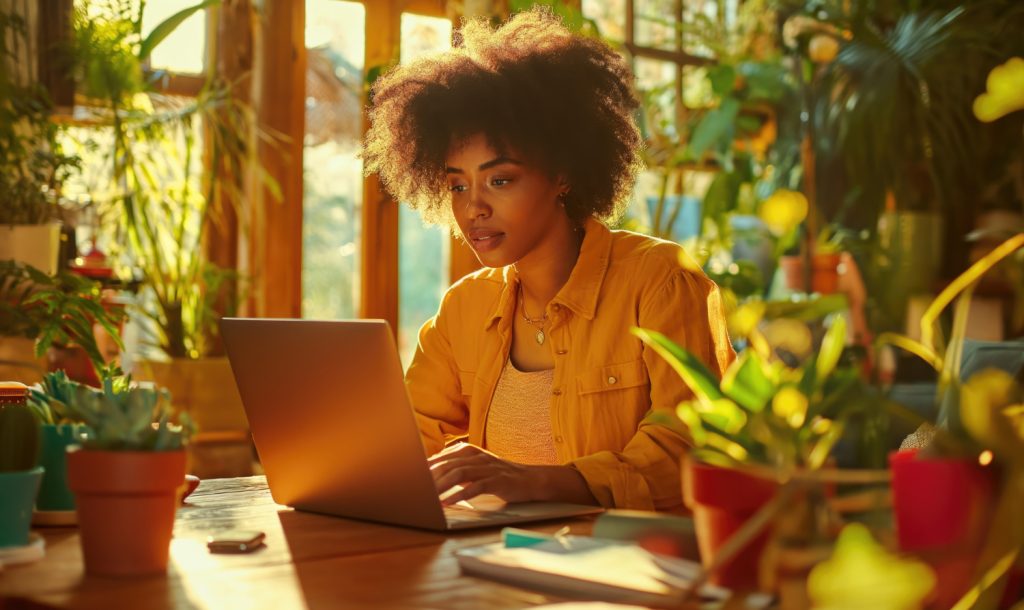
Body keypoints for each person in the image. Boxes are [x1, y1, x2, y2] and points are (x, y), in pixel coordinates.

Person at [362, 7, 734, 512]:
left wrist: (542, 481)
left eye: (500, 179)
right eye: (457, 185)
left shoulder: (660, 281)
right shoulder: (464, 309)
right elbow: (408, 445)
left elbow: (688, 451)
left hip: (632, 567)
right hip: (495, 564)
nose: (474, 207)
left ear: (563, 174)